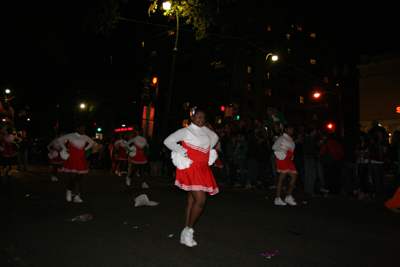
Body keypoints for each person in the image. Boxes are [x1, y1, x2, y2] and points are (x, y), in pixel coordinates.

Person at [164, 107, 219, 247]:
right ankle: (189, 230)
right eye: (198, 117)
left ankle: (184, 233)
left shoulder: (204, 130)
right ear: (192, 118)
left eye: (203, 118)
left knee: (192, 200)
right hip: (191, 168)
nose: (201, 120)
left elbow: (215, 137)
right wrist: (182, 152)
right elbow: (168, 141)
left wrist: (206, 151)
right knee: (200, 200)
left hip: (202, 167)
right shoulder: (186, 131)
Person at [57, 123, 94, 203]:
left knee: (79, 177)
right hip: (72, 158)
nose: (83, 130)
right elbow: (59, 140)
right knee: (72, 177)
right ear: (77, 129)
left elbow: (92, 142)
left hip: (81, 158)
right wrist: (64, 148)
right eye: (82, 129)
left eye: (84, 129)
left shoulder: (85, 137)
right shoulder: (71, 135)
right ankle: (69, 191)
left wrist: (85, 149)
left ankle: (77, 195)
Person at [272, 123, 298, 206]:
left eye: (292, 129)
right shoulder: (282, 138)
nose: (291, 131)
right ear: (286, 129)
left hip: (288, 160)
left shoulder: (290, 138)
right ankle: (278, 197)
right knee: (282, 178)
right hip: (283, 159)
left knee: (294, 176)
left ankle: (288, 196)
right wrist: (284, 150)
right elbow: (274, 147)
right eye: (290, 129)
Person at [368, 127, 390, 201]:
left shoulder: (385, 142)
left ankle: (384, 195)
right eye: (378, 133)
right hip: (375, 161)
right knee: (377, 179)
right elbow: (371, 151)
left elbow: (387, 152)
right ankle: (378, 195)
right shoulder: (374, 142)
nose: (379, 134)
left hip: (382, 162)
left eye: (380, 133)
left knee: (383, 179)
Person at [303, 125, 318, 195]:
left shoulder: (305, 139)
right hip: (310, 158)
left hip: (306, 158)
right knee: (311, 175)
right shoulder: (311, 140)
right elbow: (312, 149)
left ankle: (307, 189)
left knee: (307, 175)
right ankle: (310, 190)